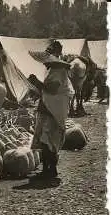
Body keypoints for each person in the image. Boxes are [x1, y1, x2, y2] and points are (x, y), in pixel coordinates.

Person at [28, 41, 74, 178]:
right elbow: (47, 91)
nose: (44, 63)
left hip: (53, 109)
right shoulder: (53, 70)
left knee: (48, 139)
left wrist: (37, 83)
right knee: (45, 139)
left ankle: (51, 169)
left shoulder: (59, 70)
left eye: (46, 60)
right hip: (48, 107)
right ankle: (47, 169)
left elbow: (53, 90)